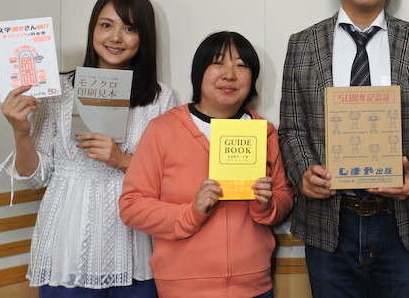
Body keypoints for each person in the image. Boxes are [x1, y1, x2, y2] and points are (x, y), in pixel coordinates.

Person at [278, 0, 409, 298]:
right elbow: (292, 129)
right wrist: (304, 173)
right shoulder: (303, 44)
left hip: (403, 223)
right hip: (329, 222)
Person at [0, 0, 175, 297]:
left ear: (143, 37)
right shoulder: (58, 90)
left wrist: (123, 160)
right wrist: (20, 131)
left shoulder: (159, 98)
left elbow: (172, 176)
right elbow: (34, 178)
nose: (115, 37)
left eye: (129, 28)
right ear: (93, 29)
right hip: (67, 244)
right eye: (106, 25)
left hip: (131, 244)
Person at [119, 32, 292, 298]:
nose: (229, 74)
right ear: (199, 72)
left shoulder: (263, 132)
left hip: (254, 286)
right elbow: (132, 207)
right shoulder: (163, 129)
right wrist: (192, 212)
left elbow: (284, 197)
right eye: (218, 63)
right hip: (184, 288)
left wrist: (266, 204)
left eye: (241, 65)